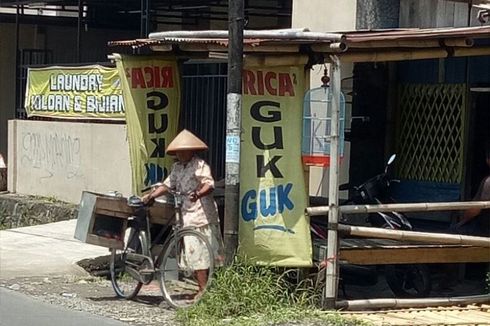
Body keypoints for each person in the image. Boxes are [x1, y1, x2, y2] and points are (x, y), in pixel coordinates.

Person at [142, 129, 224, 299]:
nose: (180, 155)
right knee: (192, 254)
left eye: (182, 151)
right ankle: (201, 289)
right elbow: (167, 185)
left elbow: (208, 184)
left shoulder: (199, 165)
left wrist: (198, 194)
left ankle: (203, 290)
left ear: (190, 151)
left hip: (201, 214)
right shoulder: (177, 168)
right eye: (178, 152)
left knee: (202, 255)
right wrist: (151, 196)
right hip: (185, 214)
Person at [452, 144, 490, 237]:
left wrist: (462, 221)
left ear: (488, 160)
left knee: (453, 232)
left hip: (485, 230)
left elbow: (476, 208)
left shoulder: (489, 181)